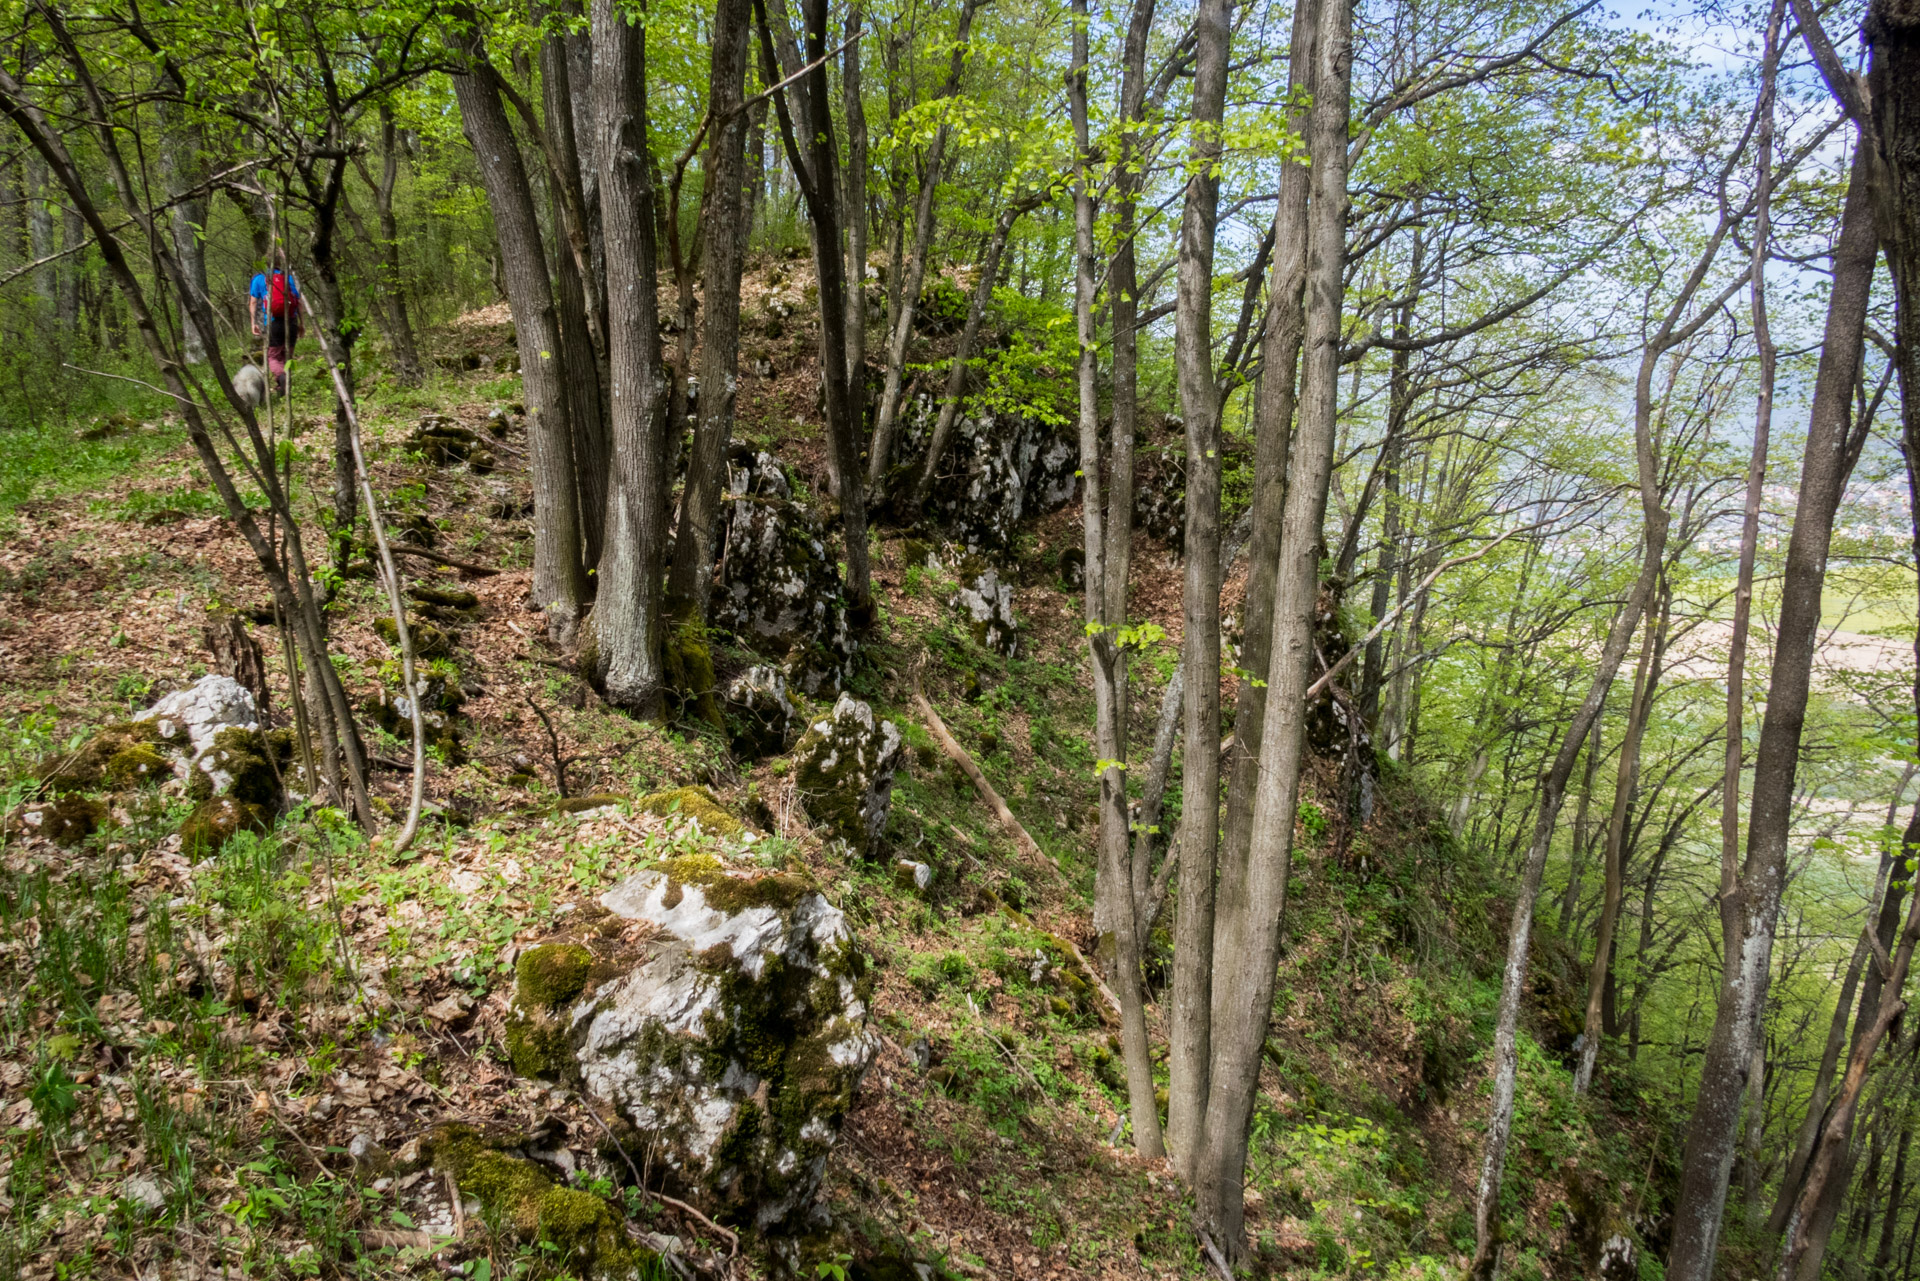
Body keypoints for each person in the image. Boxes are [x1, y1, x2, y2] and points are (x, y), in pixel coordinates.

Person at [248, 251, 302, 393]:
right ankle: (284, 386)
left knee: (273, 356)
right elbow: (298, 302)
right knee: (287, 355)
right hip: (291, 321)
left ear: (265, 263)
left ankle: (281, 377)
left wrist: (253, 322)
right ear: (279, 263)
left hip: (273, 322)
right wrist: (302, 323)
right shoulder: (288, 278)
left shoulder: (259, 279)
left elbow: (253, 302)